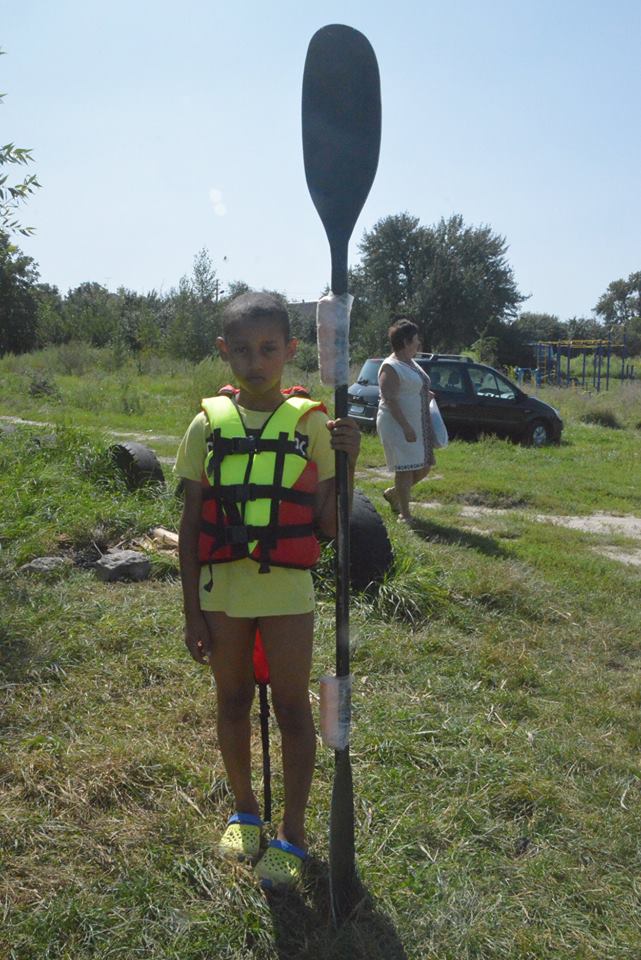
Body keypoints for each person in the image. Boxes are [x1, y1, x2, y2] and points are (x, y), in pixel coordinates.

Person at [174, 292, 360, 889]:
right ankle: (245, 811)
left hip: (286, 592)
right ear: (225, 352)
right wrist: (191, 613)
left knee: (290, 710)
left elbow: (329, 526)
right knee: (231, 702)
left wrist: (349, 462)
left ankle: (295, 833)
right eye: (244, 351)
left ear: (291, 351)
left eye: (269, 349)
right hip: (222, 591)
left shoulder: (314, 426)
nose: (257, 362)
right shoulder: (206, 424)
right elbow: (190, 526)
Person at [376, 319, 435, 522]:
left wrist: (424, 395)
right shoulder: (390, 366)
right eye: (416, 340)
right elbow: (389, 398)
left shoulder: (409, 362)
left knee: (424, 465)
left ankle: (394, 494)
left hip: (417, 424)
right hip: (397, 424)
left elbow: (410, 388)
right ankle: (405, 515)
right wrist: (406, 426)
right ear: (405, 341)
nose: (418, 344)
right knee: (406, 468)